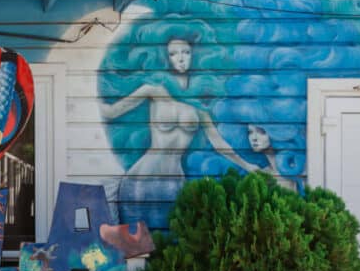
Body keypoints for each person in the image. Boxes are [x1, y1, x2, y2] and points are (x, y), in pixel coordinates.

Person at [100, 38, 258, 227]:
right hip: (141, 178)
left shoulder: (200, 108)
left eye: (186, 52)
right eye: (174, 54)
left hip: (174, 182)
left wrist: (248, 166)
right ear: (167, 59)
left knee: (168, 244)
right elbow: (111, 112)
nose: (181, 59)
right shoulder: (154, 91)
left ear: (194, 56)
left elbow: (220, 145)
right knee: (136, 246)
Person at [247, 124, 299, 190]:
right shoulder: (264, 171)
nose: (254, 138)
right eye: (250, 132)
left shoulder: (290, 169)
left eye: (261, 132)